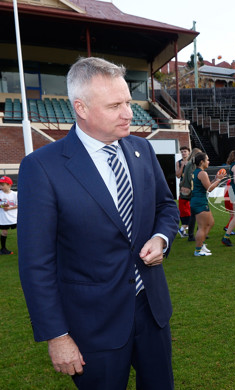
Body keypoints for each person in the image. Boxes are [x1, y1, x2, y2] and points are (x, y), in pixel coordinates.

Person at [18, 57, 179, 389]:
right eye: (115, 105)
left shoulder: (142, 150)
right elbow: (36, 263)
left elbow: (166, 207)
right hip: (92, 325)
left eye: (128, 102)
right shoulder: (42, 167)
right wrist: (57, 335)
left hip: (152, 311)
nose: (128, 113)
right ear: (82, 108)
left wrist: (161, 238)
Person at [190, 151, 225, 256]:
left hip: (198, 200)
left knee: (210, 223)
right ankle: (198, 250)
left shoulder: (197, 172)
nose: (209, 162)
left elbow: (208, 184)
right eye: (207, 160)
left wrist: (215, 179)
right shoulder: (202, 173)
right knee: (202, 226)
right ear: (202, 162)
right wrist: (219, 180)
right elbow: (209, 188)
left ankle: (201, 244)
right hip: (199, 201)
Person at [181, 148, 202, 242]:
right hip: (193, 192)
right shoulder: (192, 164)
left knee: (195, 214)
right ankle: (193, 234)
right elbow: (191, 177)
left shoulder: (189, 163)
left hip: (189, 191)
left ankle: (196, 233)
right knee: (196, 214)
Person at [0, 175, 17, 255]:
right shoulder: (0, 194)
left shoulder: (15, 194)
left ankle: (26, 247)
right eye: (0, 185)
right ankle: (3, 249)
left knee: (21, 231)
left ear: (9, 185)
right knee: (4, 232)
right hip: (4, 218)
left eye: (3, 185)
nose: (1, 187)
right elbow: (1, 205)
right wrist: (2, 206)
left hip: (15, 218)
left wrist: (10, 208)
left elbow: (20, 204)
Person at [176, 145, 191, 237]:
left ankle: (185, 229)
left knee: (190, 208)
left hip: (191, 186)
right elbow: (178, 175)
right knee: (184, 207)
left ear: (189, 152)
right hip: (184, 188)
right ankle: (184, 228)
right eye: (182, 152)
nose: (183, 153)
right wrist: (182, 166)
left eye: (185, 151)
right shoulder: (179, 163)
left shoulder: (192, 161)